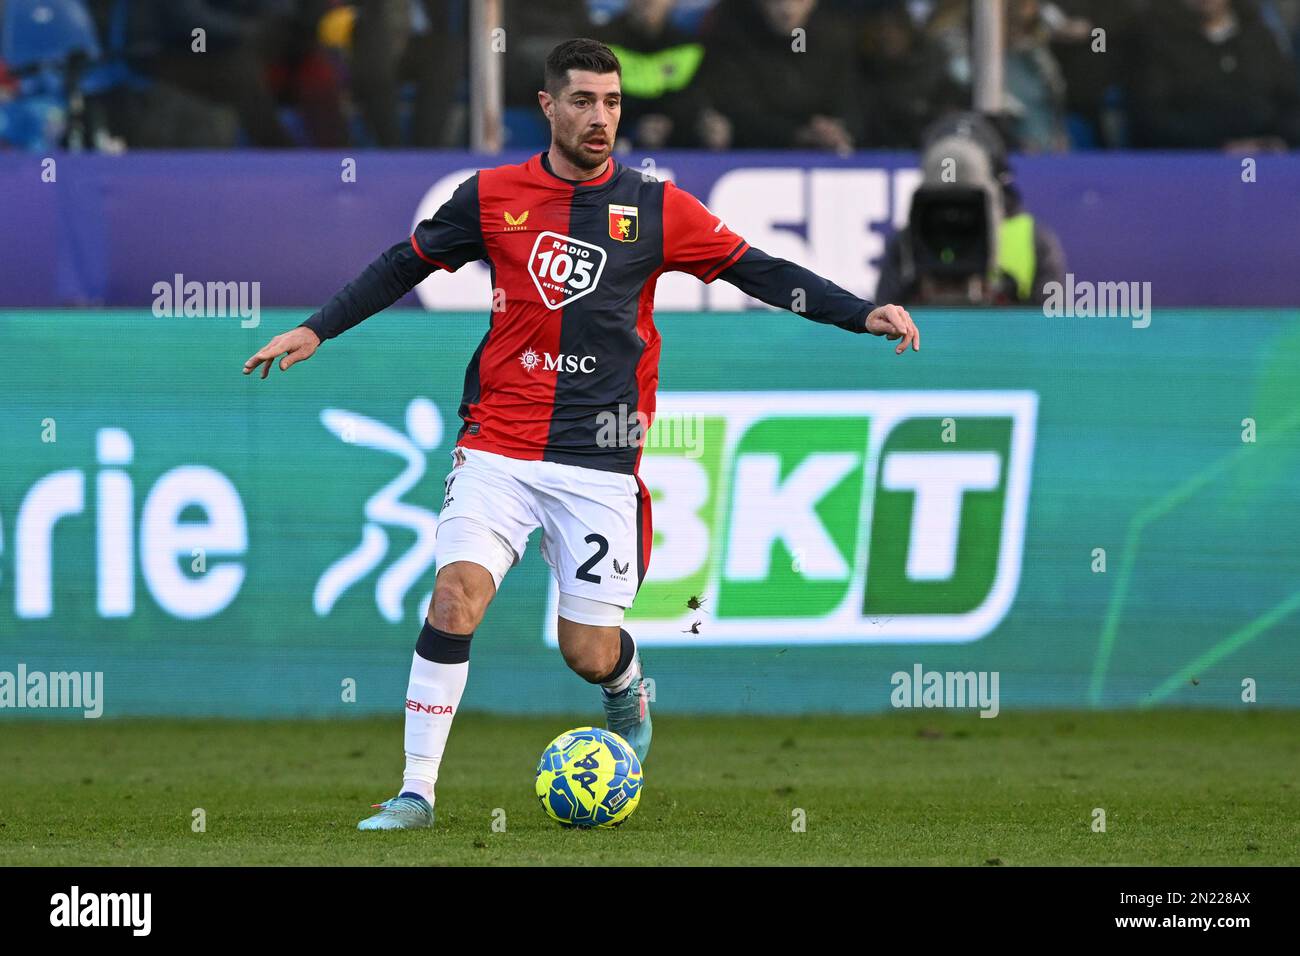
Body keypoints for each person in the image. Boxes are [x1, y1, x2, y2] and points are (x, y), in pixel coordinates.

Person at [243, 37, 920, 831]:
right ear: (548, 107)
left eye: (612, 103)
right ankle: (416, 792)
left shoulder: (659, 208)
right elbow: (405, 263)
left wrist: (859, 312)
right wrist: (318, 329)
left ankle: (625, 688)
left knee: (585, 650)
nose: (601, 118)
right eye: (584, 102)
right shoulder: (492, 195)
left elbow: (759, 269)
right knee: (456, 598)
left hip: (600, 457)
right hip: (496, 442)